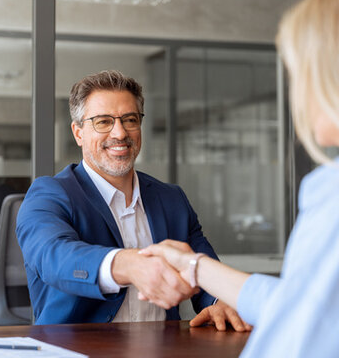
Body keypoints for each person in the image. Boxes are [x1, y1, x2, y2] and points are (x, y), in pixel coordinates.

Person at [139, 0, 339, 355]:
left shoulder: (332, 190)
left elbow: (299, 333)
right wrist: (193, 266)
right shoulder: (54, 193)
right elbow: (299, 304)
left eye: (298, 74)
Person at [16, 70, 247, 329]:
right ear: (78, 133)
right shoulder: (49, 194)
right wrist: (128, 265)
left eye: (129, 119)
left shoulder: (171, 199)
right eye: (103, 121)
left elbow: (203, 272)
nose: (120, 133)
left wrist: (219, 301)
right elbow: (54, 257)